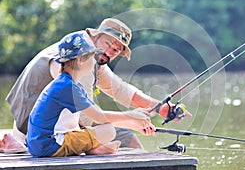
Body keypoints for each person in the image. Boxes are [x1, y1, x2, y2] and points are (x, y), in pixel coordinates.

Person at [6, 18, 191, 152]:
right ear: (96, 36)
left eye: (116, 50)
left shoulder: (83, 50)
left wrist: (159, 108)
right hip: (38, 135)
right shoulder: (81, 60)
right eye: (108, 43)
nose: (110, 51)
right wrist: (132, 121)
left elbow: (120, 90)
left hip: (37, 131)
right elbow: (88, 119)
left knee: (120, 135)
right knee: (126, 137)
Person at [26, 31, 155, 157]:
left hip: (40, 143)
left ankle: (95, 148)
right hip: (48, 145)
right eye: (92, 57)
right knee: (108, 131)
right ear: (81, 60)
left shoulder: (68, 84)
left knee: (105, 129)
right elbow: (98, 117)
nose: (94, 62)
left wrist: (133, 121)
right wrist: (131, 116)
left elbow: (93, 115)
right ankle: (95, 149)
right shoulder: (68, 87)